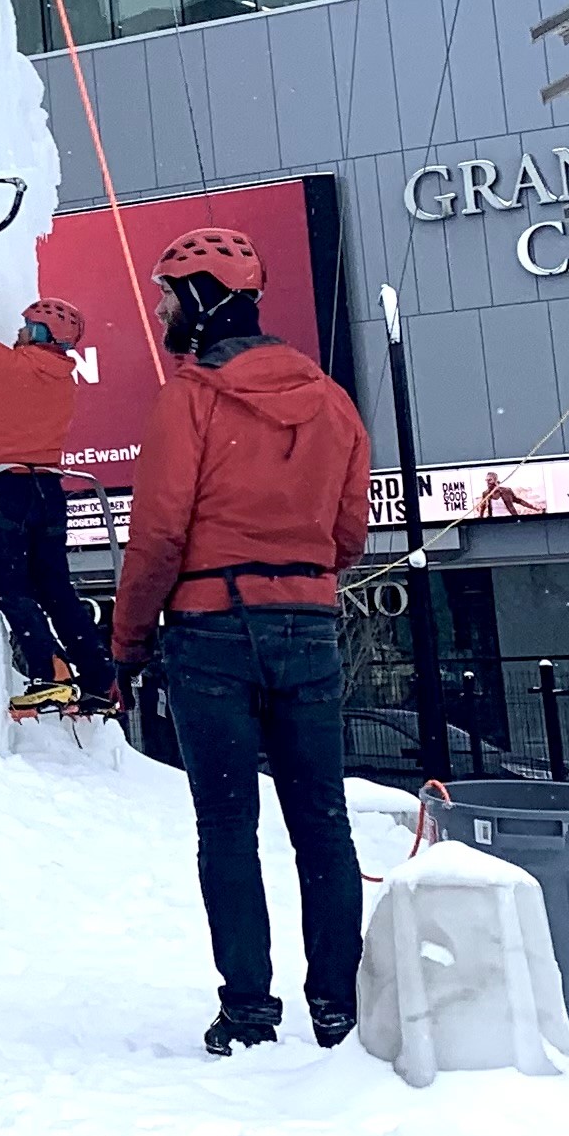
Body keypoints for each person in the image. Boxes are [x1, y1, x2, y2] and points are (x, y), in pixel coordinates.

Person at [107, 227, 371, 1054]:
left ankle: (250, 1013)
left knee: (228, 826)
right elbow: (349, 535)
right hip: (310, 625)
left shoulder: (191, 396)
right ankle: (338, 1005)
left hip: (210, 627)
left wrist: (127, 642)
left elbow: (155, 537)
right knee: (322, 823)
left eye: (167, 297)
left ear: (201, 302)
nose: (159, 312)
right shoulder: (332, 401)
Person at [0, 256, 110, 717]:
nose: (19, 332)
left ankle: (48, 673)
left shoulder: (6, 366)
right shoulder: (64, 382)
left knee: (10, 585)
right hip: (50, 492)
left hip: (4, 489)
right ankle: (97, 679)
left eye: (27, 326)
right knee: (56, 587)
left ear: (38, 334)